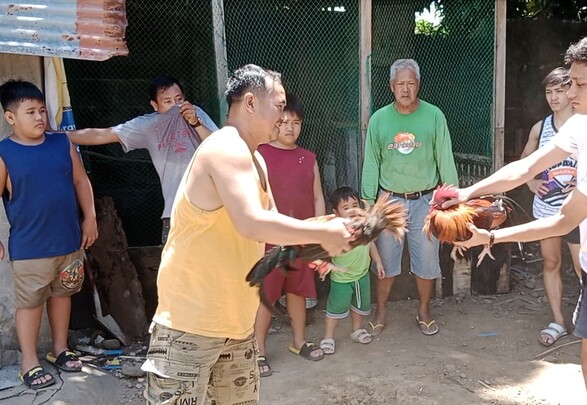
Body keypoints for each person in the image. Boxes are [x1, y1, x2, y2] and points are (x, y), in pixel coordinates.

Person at [447, 29, 587, 405]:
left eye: (580, 84)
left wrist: (491, 238)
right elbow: (529, 165)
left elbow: (564, 221)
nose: (570, 93)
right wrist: (469, 192)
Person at [141, 65, 352, 405]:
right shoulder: (225, 148)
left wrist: (314, 247)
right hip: (191, 325)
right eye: (279, 106)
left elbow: (270, 224)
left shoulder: (256, 159)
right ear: (251, 103)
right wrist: (324, 231)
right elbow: (252, 223)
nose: (284, 118)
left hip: (236, 326)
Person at [0, 80, 98, 389]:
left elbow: (81, 182)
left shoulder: (61, 144)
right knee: (29, 303)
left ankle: (59, 349)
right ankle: (29, 361)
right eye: (30, 111)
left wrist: (90, 218)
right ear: (10, 117)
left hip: (68, 241)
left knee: (63, 293)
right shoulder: (4, 153)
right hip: (30, 247)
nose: (40, 117)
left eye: (42, 110)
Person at [361, 58, 459, 337]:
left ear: (418, 86)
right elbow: (372, 162)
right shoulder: (380, 119)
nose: (406, 89)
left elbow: (445, 158)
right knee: (386, 261)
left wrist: (451, 197)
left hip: (425, 201)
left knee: (427, 261)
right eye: (400, 84)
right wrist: (368, 202)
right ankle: (381, 312)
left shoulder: (434, 116)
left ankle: (424, 310)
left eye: (411, 83)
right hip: (389, 201)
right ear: (392, 87)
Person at [67, 75, 219, 244]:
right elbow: (103, 135)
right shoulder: (149, 125)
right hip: (176, 210)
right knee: (177, 267)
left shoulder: (195, 112)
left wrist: (196, 123)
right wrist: (60, 136)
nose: (175, 106)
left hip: (211, 207)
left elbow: (219, 145)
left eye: (179, 99)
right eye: (167, 101)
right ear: (155, 105)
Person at [255, 93, 327, 376]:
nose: (289, 128)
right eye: (284, 122)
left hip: (302, 239)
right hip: (270, 238)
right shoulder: (260, 153)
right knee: (267, 294)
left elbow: (318, 197)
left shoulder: (308, 158)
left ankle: (298, 341)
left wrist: (318, 230)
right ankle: (257, 349)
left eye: (295, 123)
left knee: (297, 290)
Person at [520, 67, 583, 346]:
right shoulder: (540, 128)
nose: (554, 97)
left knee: (586, 268)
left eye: (559, 91)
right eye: (549, 92)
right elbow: (524, 164)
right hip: (546, 209)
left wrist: (582, 182)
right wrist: (531, 184)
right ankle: (558, 320)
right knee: (551, 262)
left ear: (571, 92)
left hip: (579, 210)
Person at [319, 186, 385, 355]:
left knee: (359, 306)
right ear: (336, 212)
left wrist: (377, 262)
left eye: (354, 205)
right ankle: (328, 337)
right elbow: (325, 251)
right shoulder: (335, 230)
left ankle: (356, 330)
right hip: (341, 278)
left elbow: (371, 245)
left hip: (362, 276)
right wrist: (323, 265)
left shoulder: (364, 227)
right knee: (335, 309)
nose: (351, 210)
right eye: (345, 207)